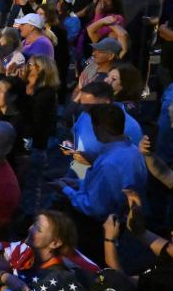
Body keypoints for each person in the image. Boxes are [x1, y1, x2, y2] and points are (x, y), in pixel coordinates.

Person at [54, 104, 147, 263]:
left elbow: (93, 207)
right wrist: (79, 183)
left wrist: (66, 190)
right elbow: (106, 187)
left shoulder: (109, 163)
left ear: (99, 128)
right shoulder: (133, 151)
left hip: (96, 231)